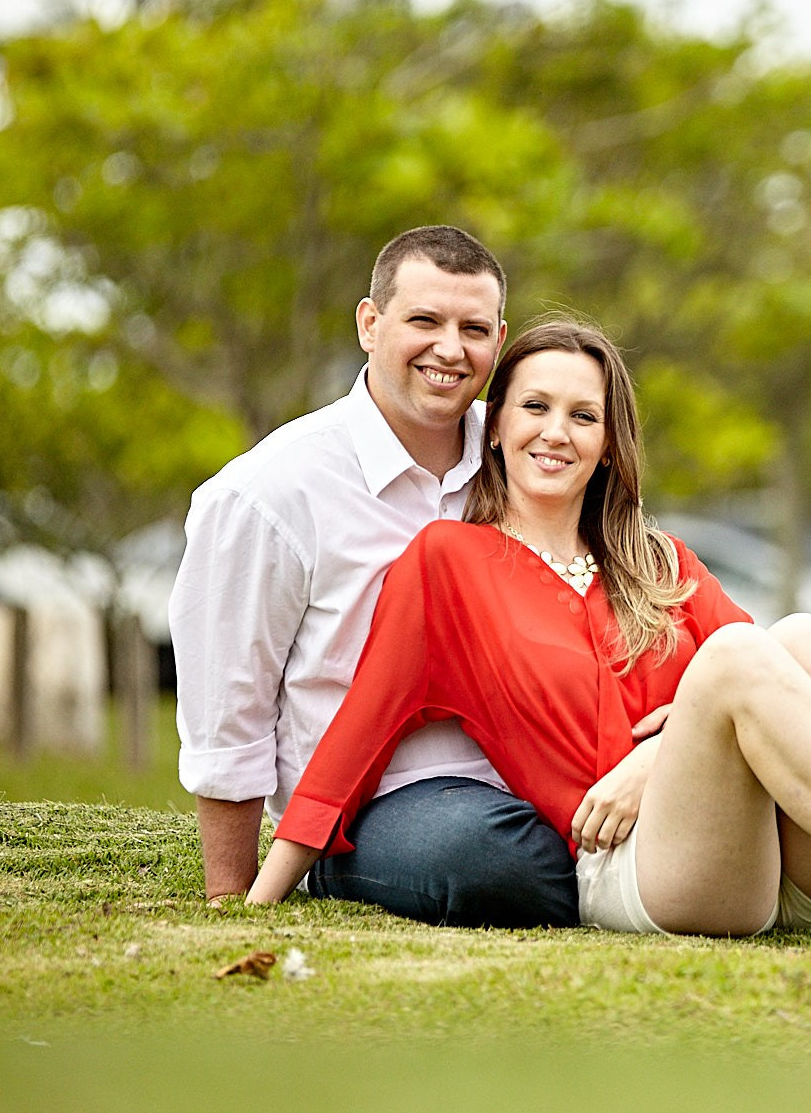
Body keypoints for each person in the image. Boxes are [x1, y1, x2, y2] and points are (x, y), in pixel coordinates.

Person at [246, 318, 811, 965]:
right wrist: (251, 896)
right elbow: (352, 741)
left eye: (583, 415)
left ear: (607, 442)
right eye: (535, 406)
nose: (557, 431)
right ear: (496, 424)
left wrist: (650, 758)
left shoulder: (654, 557)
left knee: (804, 638)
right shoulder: (447, 561)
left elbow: (775, 683)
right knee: (738, 655)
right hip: (645, 873)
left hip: (789, 861)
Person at [171, 225, 581, 927]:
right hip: (374, 809)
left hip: (546, 778)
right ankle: (626, 877)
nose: (450, 349)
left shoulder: (529, 453)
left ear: (500, 339)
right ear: (370, 322)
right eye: (424, 320)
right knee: (480, 856)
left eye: (474, 329)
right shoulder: (270, 493)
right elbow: (227, 707)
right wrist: (230, 898)